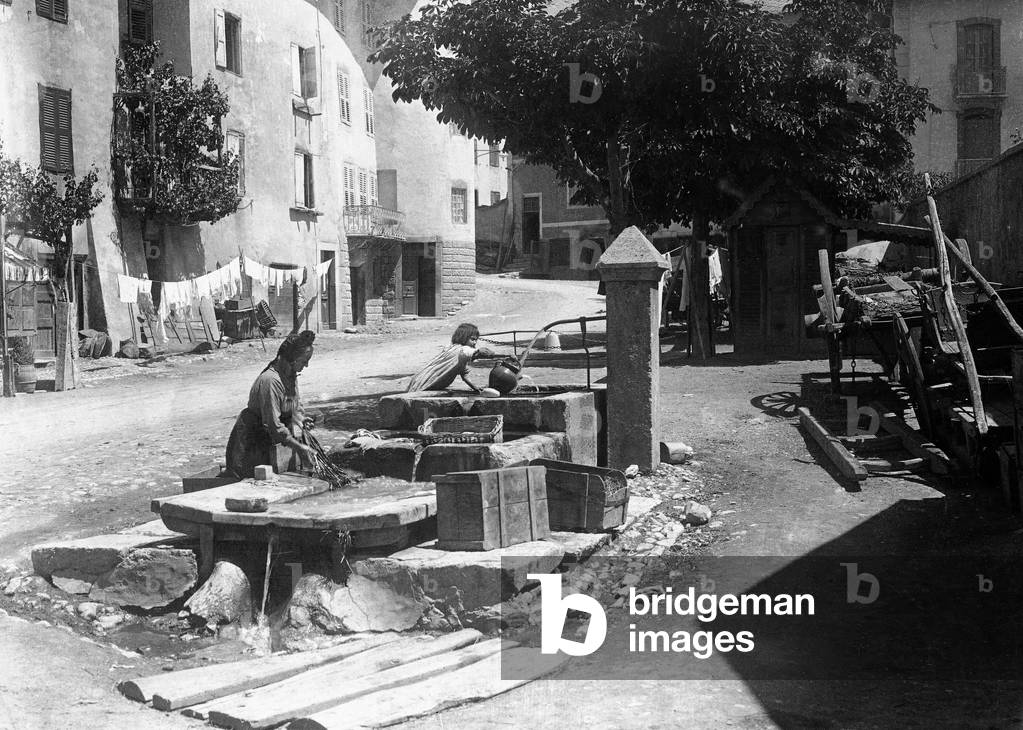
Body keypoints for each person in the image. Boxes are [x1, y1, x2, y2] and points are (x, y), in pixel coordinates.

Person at [225, 330, 317, 478]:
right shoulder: (270, 381)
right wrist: (300, 448)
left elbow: (293, 405)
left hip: (271, 441)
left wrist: (299, 419)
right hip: (252, 443)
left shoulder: (290, 375)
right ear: (292, 359)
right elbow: (273, 425)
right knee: (256, 480)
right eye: (304, 361)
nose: (306, 365)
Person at [407, 322, 493, 392]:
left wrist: (475, 387)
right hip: (424, 382)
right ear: (463, 337)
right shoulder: (460, 350)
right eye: (472, 339)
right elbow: (468, 352)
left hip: (422, 381)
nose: (474, 342)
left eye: (476, 340)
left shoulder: (455, 352)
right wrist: (480, 352)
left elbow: (465, 374)